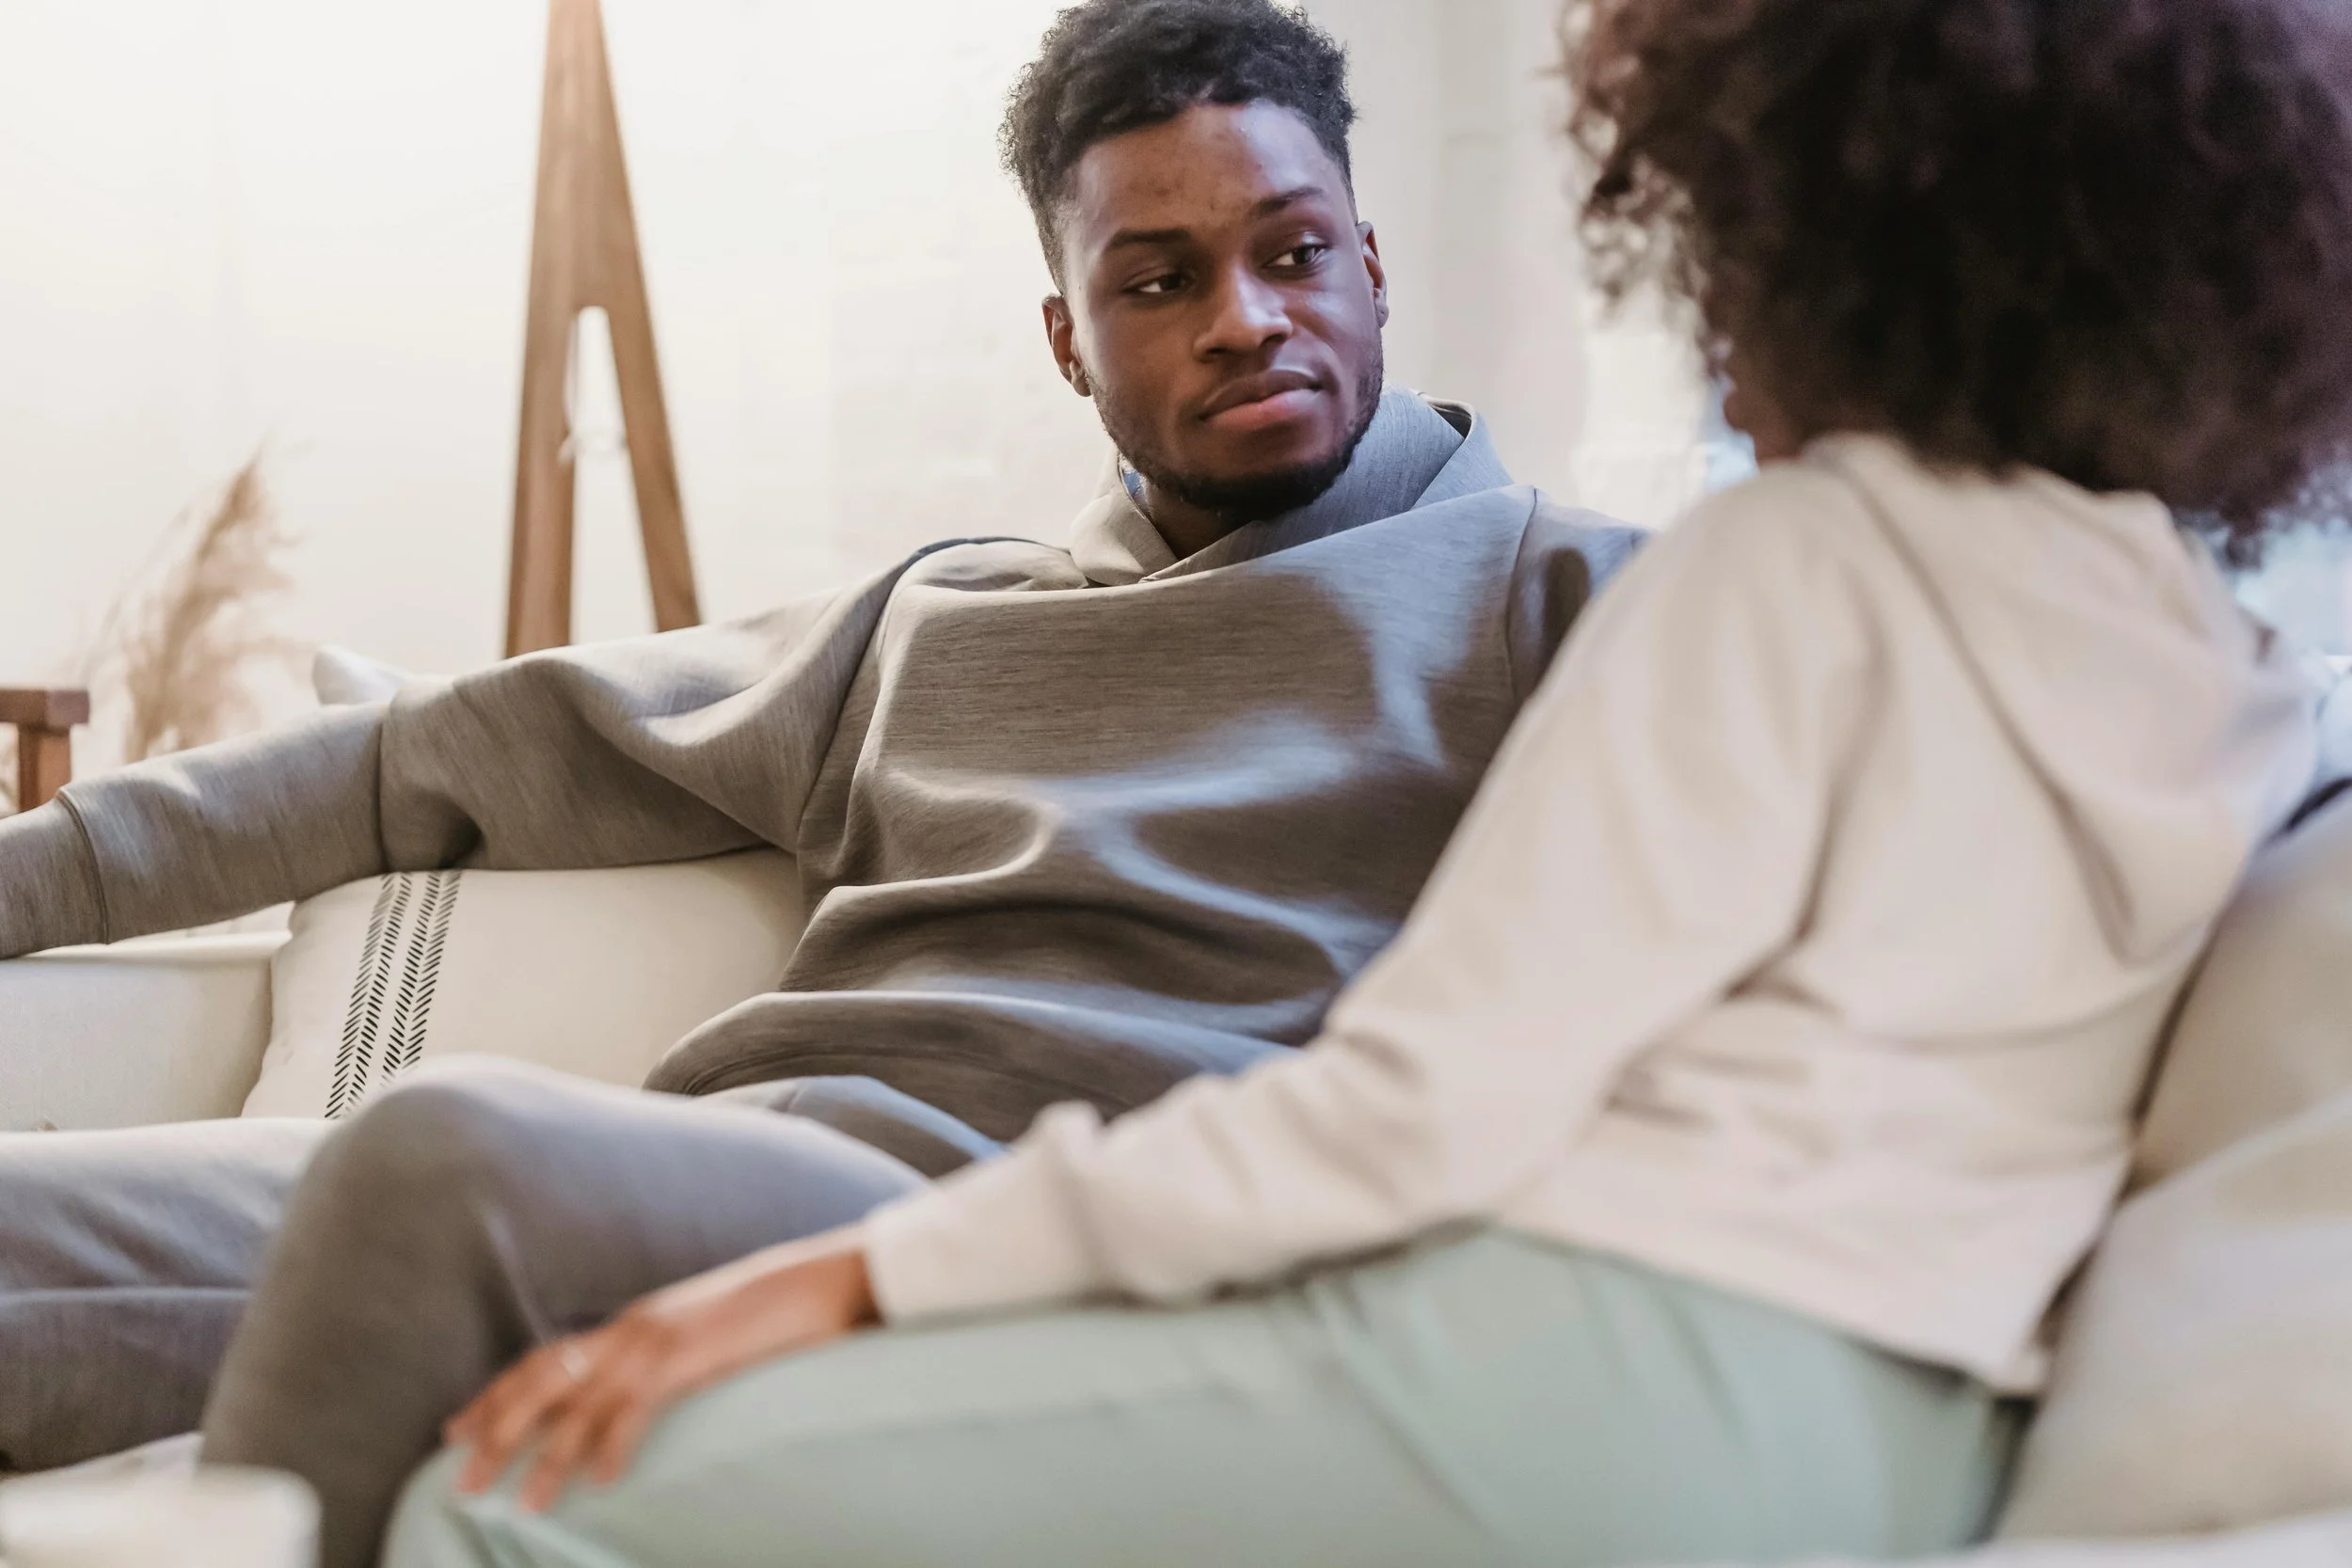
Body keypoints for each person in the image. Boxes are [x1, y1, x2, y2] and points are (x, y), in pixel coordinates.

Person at [358, 0, 2352, 1563]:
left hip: (1598, 1367)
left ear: (1813, 223)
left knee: (509, 1499)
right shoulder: (2220, 666)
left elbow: (1411, 1114)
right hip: (1904, 1430)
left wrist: (843, 1280)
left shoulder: (1801, 556)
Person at [0, 0, 1639, 1558]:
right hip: (703, 1188)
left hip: (1018, 1251)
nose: (1246, 319)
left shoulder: (1562, 598)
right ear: (1068, 341)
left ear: (1369, 262)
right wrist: (29, 879)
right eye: (1160, 282)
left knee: (445, 1159)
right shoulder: (936, 619)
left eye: (1292, 254)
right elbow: (420, 761)